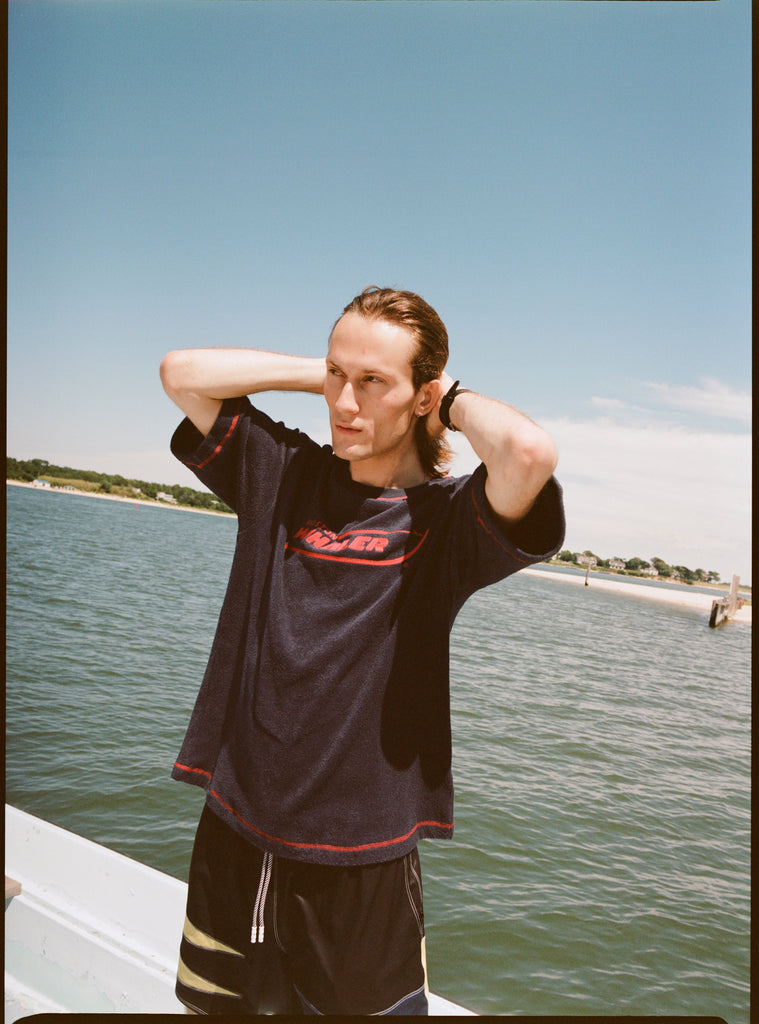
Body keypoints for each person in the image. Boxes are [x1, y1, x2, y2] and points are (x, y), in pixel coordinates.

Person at [160, 286, 565, 1016]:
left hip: (361, 858)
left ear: (422, 397)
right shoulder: (282, 473)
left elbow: (527, 453)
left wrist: (450, 401)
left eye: (373, 382)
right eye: (336, 378)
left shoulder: (447, 523)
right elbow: (181, 371)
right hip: (235, 826)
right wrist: (328, 369)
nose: (344, 402)